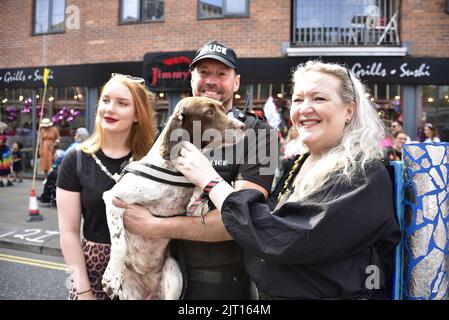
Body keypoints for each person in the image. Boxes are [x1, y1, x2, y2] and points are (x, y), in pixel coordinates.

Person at [171, 61, 401, 299]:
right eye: (298, 99)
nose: (305, 108)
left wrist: (210, 180)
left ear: (349, 111)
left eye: (319, 99)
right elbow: (267, 222)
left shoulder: (363, 172)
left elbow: (280, 236)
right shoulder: (298, 164)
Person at [113, 40, 276, 300]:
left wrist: (154, 226)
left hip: (221, 285)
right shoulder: (172, 130)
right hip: (164, 277)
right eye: (203, 72)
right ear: (191, 79)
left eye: (221, 74)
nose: (211, 80)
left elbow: (245, 220)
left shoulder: (262, 136)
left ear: (236, 82)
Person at [56, 73, 157, 300]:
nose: (110, 108)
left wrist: (156, 282)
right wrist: (83, 292)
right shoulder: (75, 160)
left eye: (122, 104)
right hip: (92, 274)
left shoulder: (152, 162)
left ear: (137, 115)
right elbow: (68, 233)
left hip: (144, 271)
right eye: (105, 100)